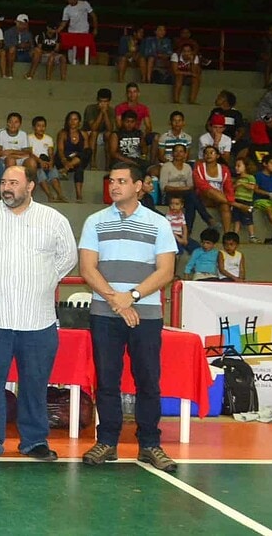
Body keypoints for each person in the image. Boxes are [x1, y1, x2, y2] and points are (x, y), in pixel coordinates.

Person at [0, 165, 77, 461]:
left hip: (38, 319)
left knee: (36, 383)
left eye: (14, 182)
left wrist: (42, 282)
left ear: (30, 186)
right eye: (3, 182)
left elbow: (67, 258)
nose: (6, 187)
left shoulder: (53, 220)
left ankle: (34, 440)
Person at [78, 162, 179, 473]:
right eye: (111, 181)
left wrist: (132, 296)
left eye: (122, 181)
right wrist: (118, 302)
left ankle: (150, 444)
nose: (114, 186)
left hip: (146, 314)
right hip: (105, 313)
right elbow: (87, 269)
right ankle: (107, 441)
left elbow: (166, 271)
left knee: (148, 379)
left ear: (139, 186)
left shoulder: (158, 224)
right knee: (106, 380)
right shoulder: (95, 222)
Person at [57, 110, 89, 202]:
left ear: (79, 122)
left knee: (87, 153)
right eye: (70, 119)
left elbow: (86, 150)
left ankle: (79, 196)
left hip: (78, 159)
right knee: (79, 166)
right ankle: (66, 167)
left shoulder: (83, 134)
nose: (73, 122)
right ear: (67, 121)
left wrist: (75, 159)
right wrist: (65, 162)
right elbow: (60, 150)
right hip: (64, 159)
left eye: (75, 119)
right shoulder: (63, 133)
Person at [56, 0, 97, 64]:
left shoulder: (84, 4)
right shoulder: (66, 9)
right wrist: (57, 31)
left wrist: (95, 28)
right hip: (72, 33)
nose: (70, 1)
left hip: (84, 32)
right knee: (71, 56)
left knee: (82, 52)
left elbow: (93, 16)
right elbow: (64, 22)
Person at [232, 157, 259, 243]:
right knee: (236, 219)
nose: (236, 167)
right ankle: (235, 235)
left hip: (246, 201)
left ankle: (252, 236)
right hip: (237, 200)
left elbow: (252, 187)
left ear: (246, 167)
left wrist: (242, 184)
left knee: (248, 219)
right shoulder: (237, 179)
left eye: (239, 165)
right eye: (236, 166)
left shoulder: (250, 177)